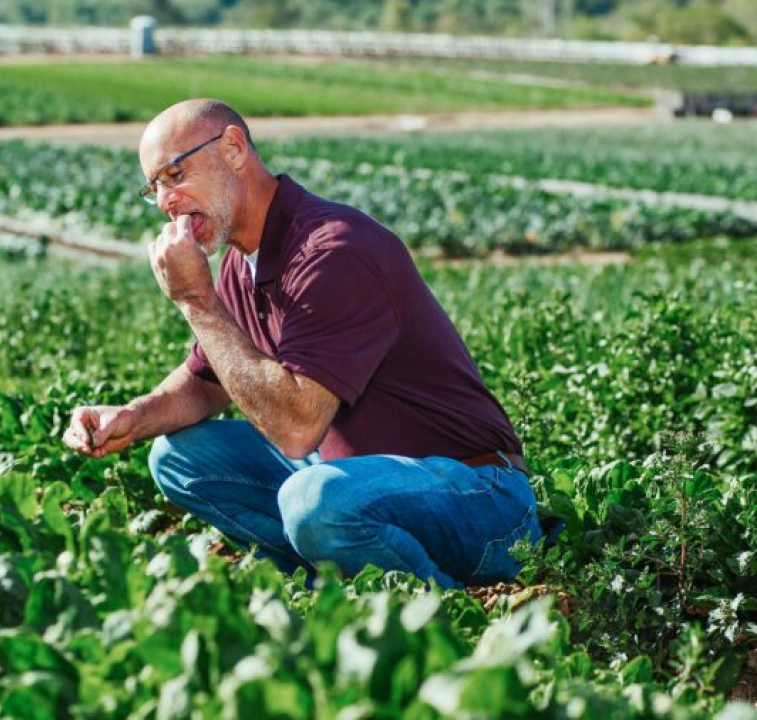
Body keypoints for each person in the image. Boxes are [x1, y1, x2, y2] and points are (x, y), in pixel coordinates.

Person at [62, 99, 541, 588]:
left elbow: (296, 430)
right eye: (154, 187)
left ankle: (443, 608)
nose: (166, 201)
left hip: (479, 499)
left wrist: (195, 301)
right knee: (178, 457)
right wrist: (130, 416)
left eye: (175, 174)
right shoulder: (239, 264)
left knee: (313, 501)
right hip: (355, 486)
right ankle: (327, 582)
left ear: (232, 149)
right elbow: (206, 384)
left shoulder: (333, 251)